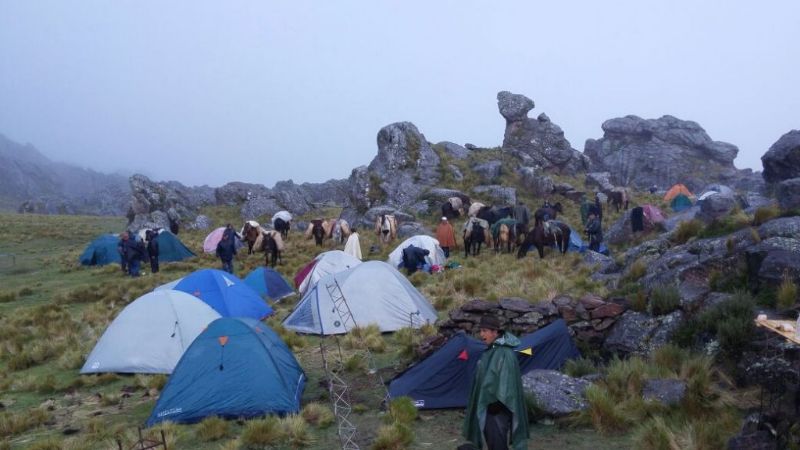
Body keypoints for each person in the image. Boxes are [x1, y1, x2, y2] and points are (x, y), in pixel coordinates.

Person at [463, 315, 529, 450]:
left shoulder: (504, 352)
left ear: (495, 332)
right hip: (490, 404)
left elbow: (507, 380)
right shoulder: (492, 350)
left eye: (485, 331)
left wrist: (497, 403)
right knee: (492, 438)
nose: (481, 334)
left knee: (496, 439)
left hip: (499, 407)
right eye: (480, 331)